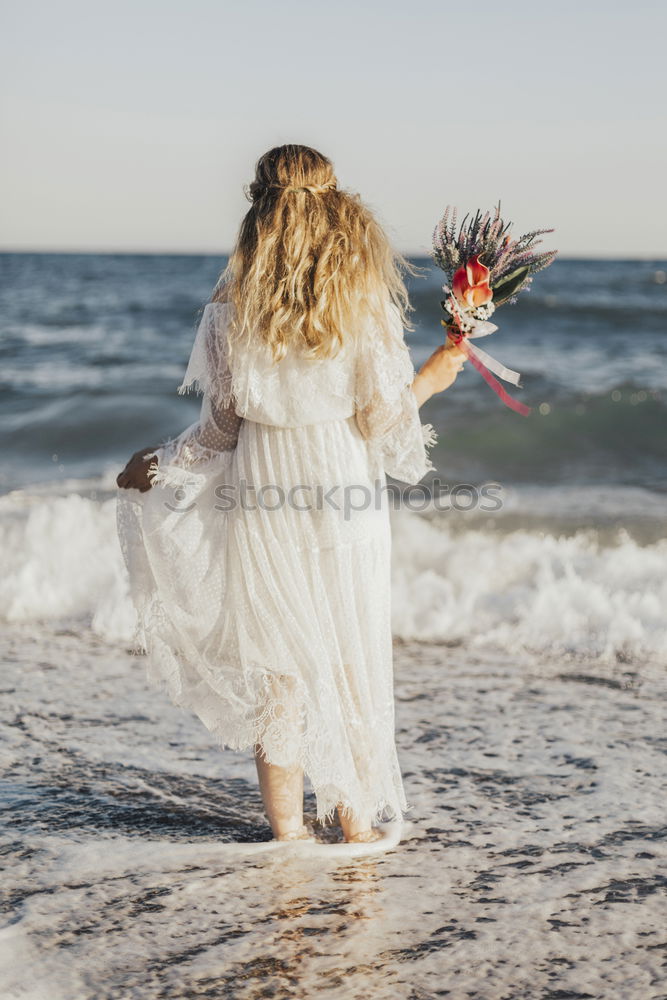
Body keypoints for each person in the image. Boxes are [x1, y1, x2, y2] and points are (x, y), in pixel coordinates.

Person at [116, 144, 466, 844]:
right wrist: (432, 376)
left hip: (262, 499)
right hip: (344, 497)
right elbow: (380, 421)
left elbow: (219, 431)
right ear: (336, 207)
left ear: (257, 211)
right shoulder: (361, 302)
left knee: (277, 667)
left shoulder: (228, 307)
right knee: (348, 660)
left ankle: (285, 836)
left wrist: (153, 463)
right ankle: (355, 826)